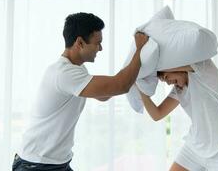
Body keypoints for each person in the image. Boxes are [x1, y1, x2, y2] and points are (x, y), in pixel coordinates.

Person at [12, 12, 148, 171]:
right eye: (98, 43)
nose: (101, 48)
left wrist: (130, 76)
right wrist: (139, 50)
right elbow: (121, 85)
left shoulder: (76, 70)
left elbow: (103, 96)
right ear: (80, 42)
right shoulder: (64, 74)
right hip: (36, 165)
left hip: (55, 163)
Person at [137, 59, 218, 171]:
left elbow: (169, 62)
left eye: (166, 77)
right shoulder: (179, 89)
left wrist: (155, 69)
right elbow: (157, 114)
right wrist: (139, 86)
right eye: (164, 80)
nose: (168, 82)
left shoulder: (203, 68)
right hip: (194, 148)